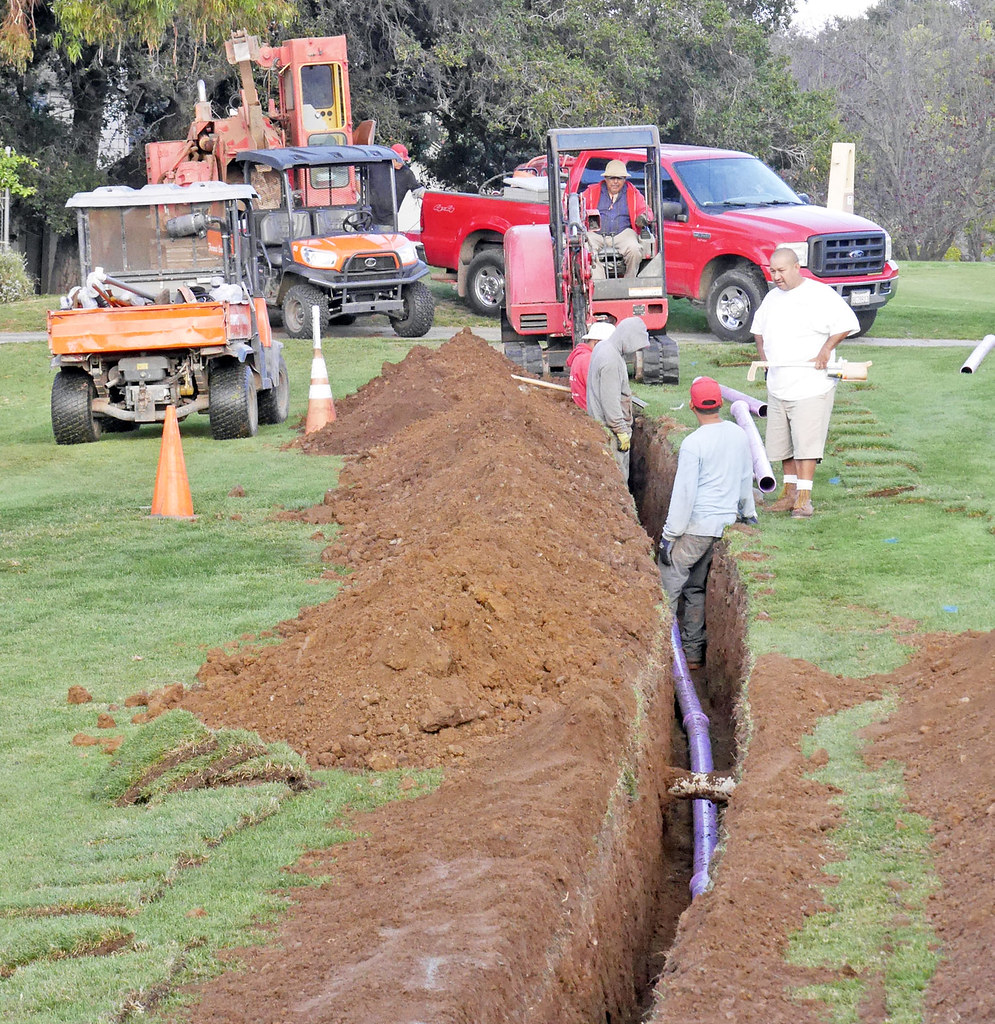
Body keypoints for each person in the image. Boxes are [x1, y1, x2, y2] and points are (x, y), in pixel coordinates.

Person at [750, 246, 860, 519]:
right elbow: (758, 331)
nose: (776, 276)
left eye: (781, 271)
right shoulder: (772, 298)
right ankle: (788, 493)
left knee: (805, 443)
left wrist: (825, 350)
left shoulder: (819, 295)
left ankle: (804, 498)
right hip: (778, 384)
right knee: (783, 443)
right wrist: (766, 361)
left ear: (797, 267)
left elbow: (846, 323)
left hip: (810, 385)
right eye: (772, 271)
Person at [658, 377, 756, 670]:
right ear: (720, 404)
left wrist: (669, 537)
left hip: (699, 527)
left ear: (692, 406)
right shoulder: (738, 435)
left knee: (669, 576)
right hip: (724, 524)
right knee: (695, 587)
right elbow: (744, 477)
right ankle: (693, 655)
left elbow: (684, 495)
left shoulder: (693, 443)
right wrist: (748, 512)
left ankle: (660, 650)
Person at [586, 316, 649, 479]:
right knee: (619, 478)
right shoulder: (611, 361)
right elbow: (610, 401)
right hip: (612, 434)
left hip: (602, 428)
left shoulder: (602, 347)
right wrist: (620, 431)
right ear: (628, 338)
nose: (635, 351)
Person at [581, 160, 652, 278]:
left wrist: (643, 217)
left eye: (619, 178)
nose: (615, 182)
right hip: (595, 233)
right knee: (586, 249)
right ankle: (599, 282)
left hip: (623, 233)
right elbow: (578, 205)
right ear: (605, 179)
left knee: (634, 249)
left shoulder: (633, 193)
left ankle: (629, 282)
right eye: (611, 178)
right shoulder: (592, 191)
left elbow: (645, 210)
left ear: (624, 179)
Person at [370, 143, 424, 227]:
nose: (401, 163)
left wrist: (431, 199)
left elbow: (417, 190)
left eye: (403, 161)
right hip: (368, 214)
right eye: (398, 160)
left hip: (388, 220)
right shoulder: (375, 166)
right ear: (390, 156)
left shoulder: (407, 173)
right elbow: (357, 178)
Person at [566, 321, 615, 410]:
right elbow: (598, 391)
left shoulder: (581, 356)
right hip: (591, 411)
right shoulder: (588, 360)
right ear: (596, 342)